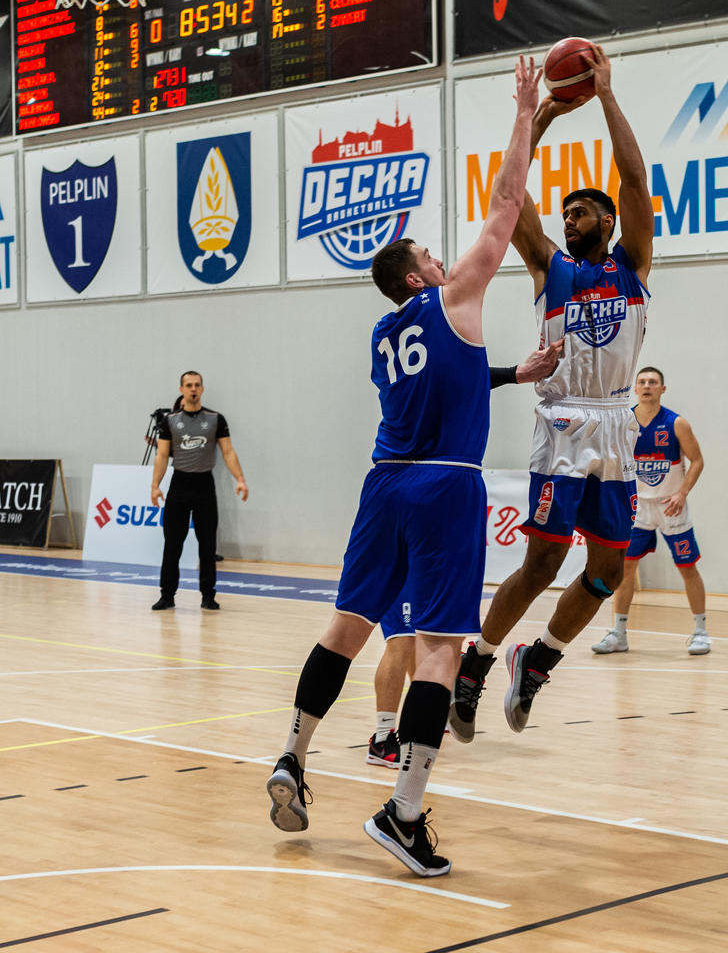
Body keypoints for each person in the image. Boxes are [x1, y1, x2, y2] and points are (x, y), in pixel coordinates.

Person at [265, 57, 544, 877]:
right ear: (421, 275)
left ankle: (291, 757)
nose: (444, 255)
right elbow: (507, 204)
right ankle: (405, 812)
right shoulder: (455, 295)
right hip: (443, 484)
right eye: (430, 252)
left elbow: (448, 379)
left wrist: (511, 374)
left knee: (345, 631)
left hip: (383, 482)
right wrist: (525, 114)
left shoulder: (385, 334)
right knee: (440, 652)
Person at [449, 43, 655, 742]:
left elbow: (634, 179)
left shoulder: (633, 264)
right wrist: (538, 117)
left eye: (582, 212)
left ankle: (535, 661)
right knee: (541, 561)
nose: (570, 219)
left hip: (617, 426)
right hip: (564, 424)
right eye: (565, 213)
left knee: (606, 570)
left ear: (609, 222)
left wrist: (606, 96)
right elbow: (508, 198)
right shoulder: (550, 268)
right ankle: (477, 663)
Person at [365, 341, 566, 768]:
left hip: (416, 508)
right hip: (410, 509)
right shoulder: (432, 373)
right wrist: (516, 373)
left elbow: (470, 378)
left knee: (432, 639)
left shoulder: (420, 368)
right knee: (402, 640)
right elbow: (469, 377)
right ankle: (382, 737)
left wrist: (516, 374)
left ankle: (427, 712)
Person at [591, 366, 709, 655]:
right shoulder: (624, 422)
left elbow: (697, 461)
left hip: (671, 506)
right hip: (638, 508)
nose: (647, 386)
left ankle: (701, 632)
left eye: (653, 382)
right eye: (642, 382)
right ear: (635, 388)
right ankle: (619, 634)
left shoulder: (676, 423)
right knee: (626, 568)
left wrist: (682, 493)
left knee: (687, 567)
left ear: (662, 389)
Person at [149, 371, 249, 611]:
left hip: (204, 485)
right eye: (188, 385)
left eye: (196, 385)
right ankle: (167, 595)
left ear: (202, 389)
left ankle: (208, 596)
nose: (193, 389)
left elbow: (228, 452)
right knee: (173, 544)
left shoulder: (215, 419)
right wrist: (155, 486)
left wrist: (240, 479)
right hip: (179, 485)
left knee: (207, 545)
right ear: (181, 389)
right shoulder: (169, 421)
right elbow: (162, 455)